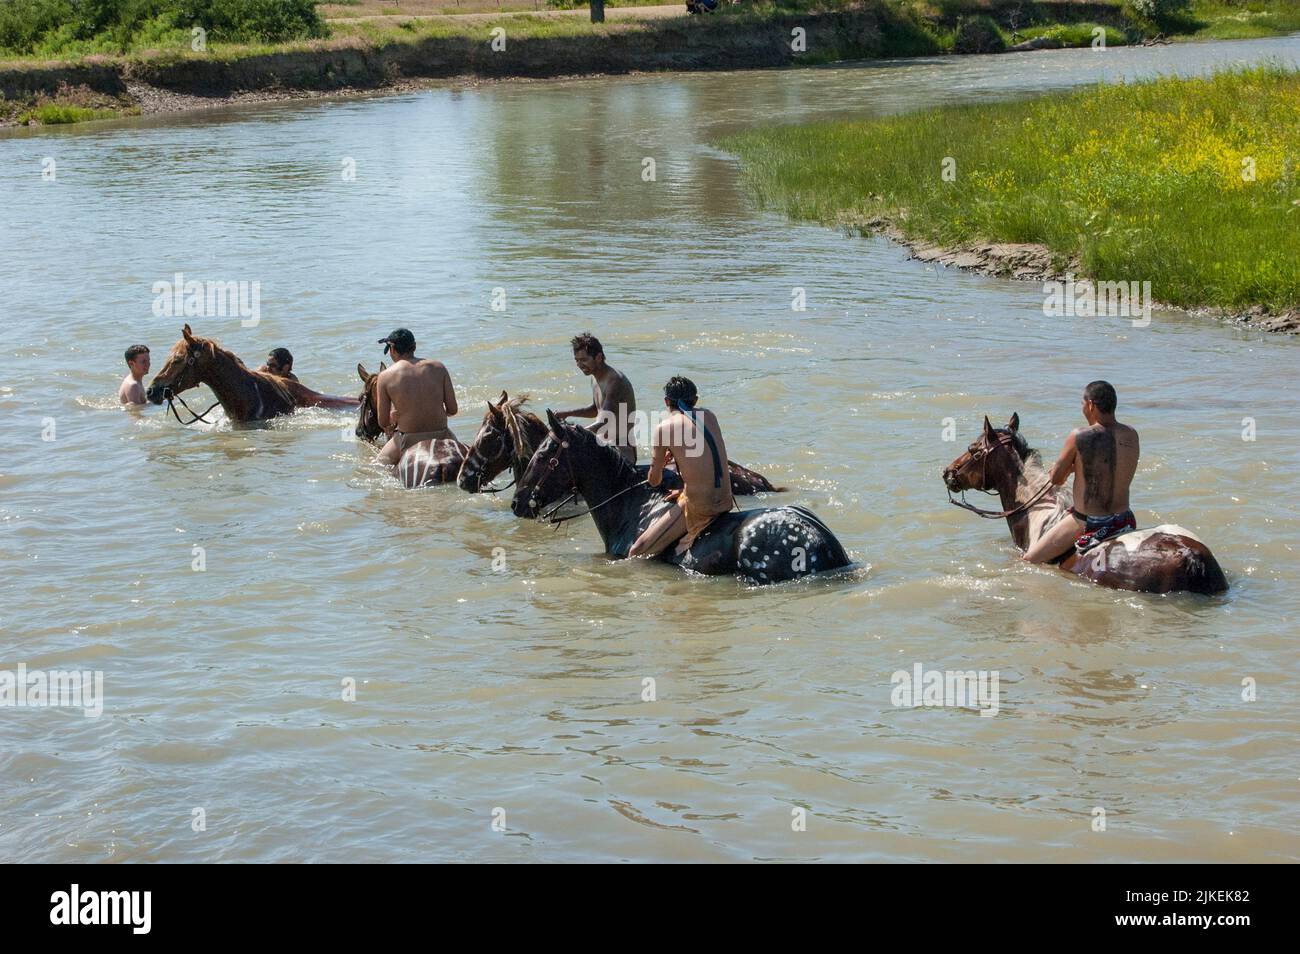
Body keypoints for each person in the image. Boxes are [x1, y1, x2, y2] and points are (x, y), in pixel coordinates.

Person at [1023, 381, 1140, 563]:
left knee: (1030, 560)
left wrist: (1068, 470)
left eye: (1082, 404)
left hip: (1089, 522)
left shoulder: (1079, 435)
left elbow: (1056, 480)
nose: (1083, 408)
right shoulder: (1131, 434)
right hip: (1125, 519)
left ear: (1091, 405)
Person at [628, 376, 734, 558]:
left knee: (637, 551)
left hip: (703, 508)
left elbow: (654, 481)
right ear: (696, 400)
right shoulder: (709, 416)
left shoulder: (663, 428)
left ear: (666, 402)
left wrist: (660, 464)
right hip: (726, 501)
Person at [373, 329, 459, 467]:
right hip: (442, 435)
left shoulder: (385, 376)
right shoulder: (439, 367)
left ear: (392, 349)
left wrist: (394, 416)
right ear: (414, 347)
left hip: (408, 439)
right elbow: (453, 410)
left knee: (378, 466)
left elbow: (383, 422)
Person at [555, 332, 637, 463]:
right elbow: (595, 409)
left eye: (584, 360)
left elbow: (604, 420)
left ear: (598, 357)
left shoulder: (615, 381)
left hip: (621, 450)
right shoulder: (594, 377)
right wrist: (567, 413)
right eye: (577, 360)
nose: (579, 365)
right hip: (602, 445)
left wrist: (574, 433)